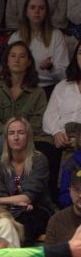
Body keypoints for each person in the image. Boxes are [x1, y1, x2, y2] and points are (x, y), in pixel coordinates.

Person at [0, 117, 53, 244]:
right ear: (6, 138)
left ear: (28, 137)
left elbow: (28, 198)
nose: (16, 137)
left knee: (24, 223)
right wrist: (9, 202)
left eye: (21, 132)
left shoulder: (39, 160)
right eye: (11, 133)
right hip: (7, 211)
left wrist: (0, 200)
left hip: (36, 210)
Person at [0, 41, 48, 161]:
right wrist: (12, 134)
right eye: (13, 56)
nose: (17, 60)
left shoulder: (38, 93)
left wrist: (18, 135)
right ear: (7, 61)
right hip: (1, 138)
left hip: (30, 140)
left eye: (22, 56)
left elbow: (37, 124)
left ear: (28, 62)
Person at [44, 38, 81, 206]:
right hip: (64, 137)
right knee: (47, 153)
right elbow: (50, 116)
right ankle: (57, 204)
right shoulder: (63, 86)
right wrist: (57, 133)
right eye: (80, 53)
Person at [9, 0, 69, 94]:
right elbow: (7, 68)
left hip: (49, 88)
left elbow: (65, 74)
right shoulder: (15, 37)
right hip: (22, 87)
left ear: (46, 13)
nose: (37, 11)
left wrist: (51, 68)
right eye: (32, 7)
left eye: (41, 8)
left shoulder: (57, 35)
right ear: (26, 11)